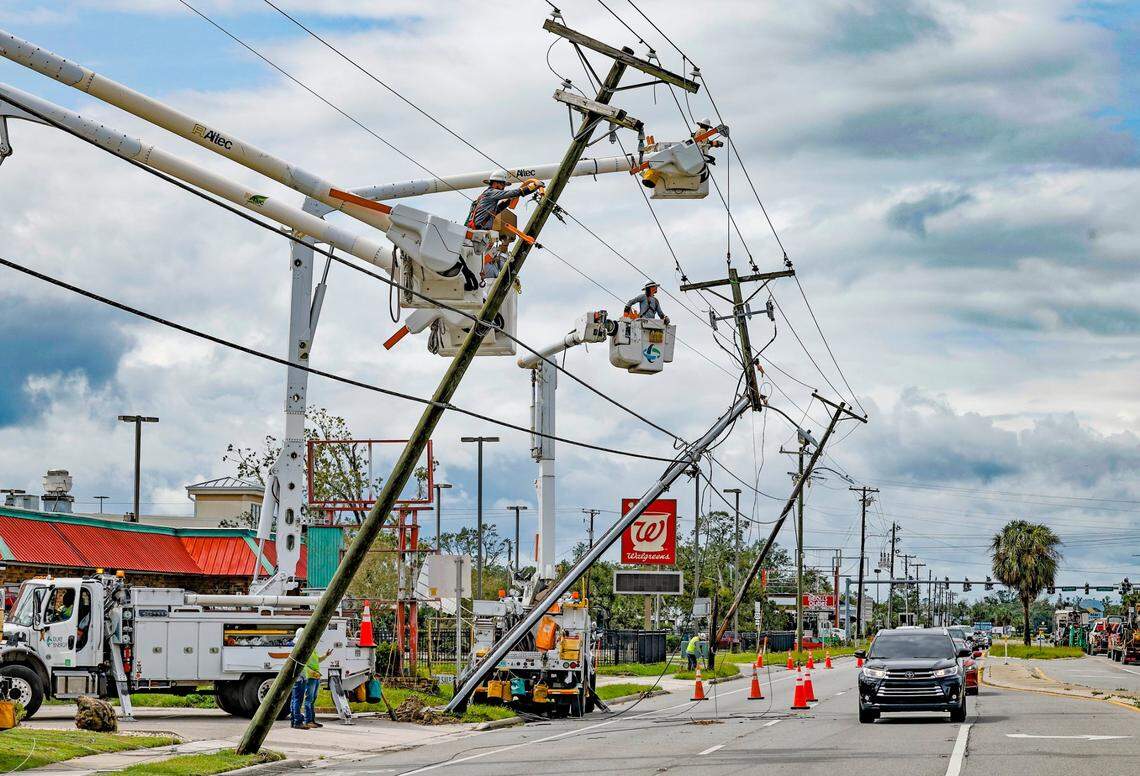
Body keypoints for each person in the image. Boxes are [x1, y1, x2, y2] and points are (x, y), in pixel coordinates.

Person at [464, 170, 542, 232]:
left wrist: (508, 201)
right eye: (503, 184)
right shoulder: (491, 192)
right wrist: (533, 186)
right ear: (496, 183)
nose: (504, 187)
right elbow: (512, 193)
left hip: (476, 231)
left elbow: (495, 211)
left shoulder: (486, 196)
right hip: (479, 230)